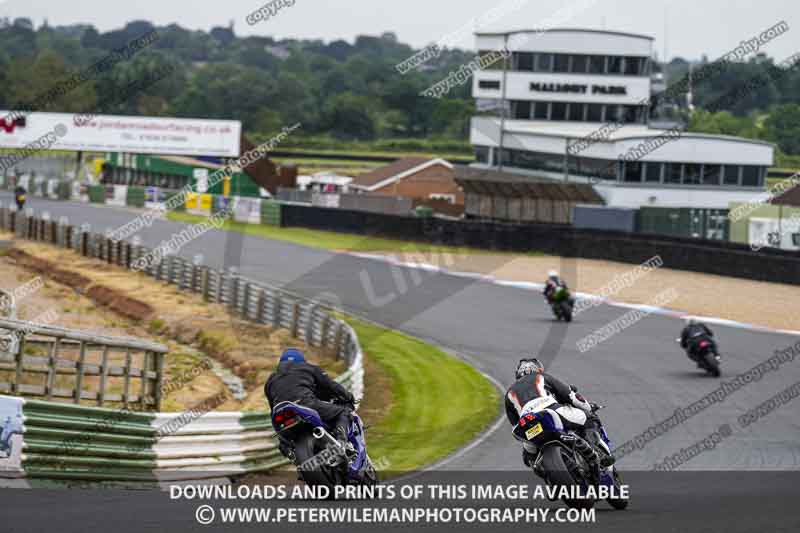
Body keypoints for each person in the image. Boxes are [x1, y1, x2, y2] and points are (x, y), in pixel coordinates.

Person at [505, 358, 614, 470]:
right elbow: (571, 396)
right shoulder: (542, 377)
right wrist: (588, 407)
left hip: (528, 425)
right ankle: (598, 452)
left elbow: (515, 426)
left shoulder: (509, 393)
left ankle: (544, 473)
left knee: (529, 458)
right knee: (588, 418)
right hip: (551, 410)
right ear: (537, 368)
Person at [265, 348, 356, 450]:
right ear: (301, 361)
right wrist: (348, 396)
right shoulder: (308, 368)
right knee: (343, 412)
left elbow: (272, 406)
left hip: (280, 413)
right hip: (305, 403)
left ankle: (292, 454)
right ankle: (341, 443)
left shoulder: (271, 379)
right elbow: (331, 385)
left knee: (283, 442)